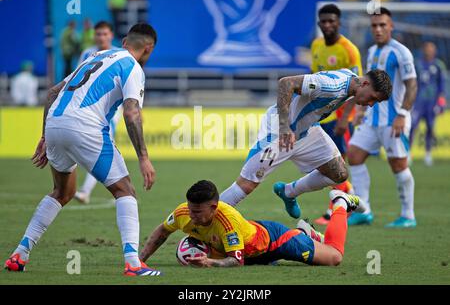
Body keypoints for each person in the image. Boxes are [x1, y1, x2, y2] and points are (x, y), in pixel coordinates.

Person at [4, 23, 161, 276]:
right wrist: (144, 157)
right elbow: (132, 112)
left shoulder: (96, 56)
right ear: (148, 48)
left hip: (55, 122)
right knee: (125, 191)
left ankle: (19, 255)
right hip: (85, 127)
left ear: (122, 42)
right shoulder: (133, 66)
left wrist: (45, 135)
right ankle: (133, 262)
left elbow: (53, 92)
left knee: (62, 192)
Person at [220, 68, 392, 220]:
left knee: (339, 173)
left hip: (306, 131)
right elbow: (286, 83)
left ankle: (288, 192)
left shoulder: (351, 80)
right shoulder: (330, 85)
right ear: (366, 83)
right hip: (280, 132)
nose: (370, 104)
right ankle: (200, 222)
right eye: (373, 99)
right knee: (246, 185)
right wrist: (284, 127)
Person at [140, 180, 366, 267]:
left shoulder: (226, 222)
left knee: (334, 257)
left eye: (198, 212)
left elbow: (235, 262)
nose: (192, 216)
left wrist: (210, 262)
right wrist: (140, 260)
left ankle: (340, 202)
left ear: (214, 207)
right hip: (253, 249)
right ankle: (304, 232)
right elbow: (162, 231)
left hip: (275, 241)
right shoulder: (182, 213)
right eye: (190, 209)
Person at [347, 7, 418, 228]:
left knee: (398, 165)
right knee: (354, 155)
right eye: (374, 26)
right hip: (372, 119)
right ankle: (364, 210)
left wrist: (403, 115)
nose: (378, 29)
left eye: (382, 25)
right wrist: (360, 111)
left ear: (391, 26)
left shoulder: (401, 52)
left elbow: (412, 85)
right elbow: (369, 86)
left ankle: (408, 216)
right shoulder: (371, 52)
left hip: (393, 120)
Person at [310, 4, 363, 226]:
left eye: (332, 21)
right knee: (326, 165)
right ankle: (353, 201)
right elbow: (314, 81)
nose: (328, 25)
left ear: (339, 23)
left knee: (337, 165)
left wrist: (345, 118)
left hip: (341, 118)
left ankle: (338, 209)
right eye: (324, 21)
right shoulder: (316, 45)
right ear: (319, 23)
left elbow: (359, 88)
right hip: (323, 116)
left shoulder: (349, 50)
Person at [74, 21, 121, 204]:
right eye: (98, 34)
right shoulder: (87, 53)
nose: (101, 37)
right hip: (87, 110)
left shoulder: (119, 54)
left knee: (100, 151)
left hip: (109, 113)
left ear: (111, 35)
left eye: (105, 34)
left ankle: (85, 191)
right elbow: (78, 77)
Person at [410, 41, 447, 166]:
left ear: (434, 51)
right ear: (423, 50)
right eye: (427, 49)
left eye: (431, 49)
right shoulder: (417, 64)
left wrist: (441, 103)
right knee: (412, 126)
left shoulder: (438, 65)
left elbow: (442, 86)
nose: (429, 51)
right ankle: (408, 153)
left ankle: (428, 154)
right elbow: (411, 83)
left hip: (431, 103)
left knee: (430, 128)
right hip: (418, 102)